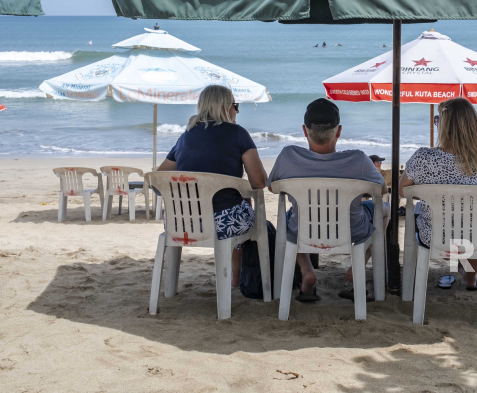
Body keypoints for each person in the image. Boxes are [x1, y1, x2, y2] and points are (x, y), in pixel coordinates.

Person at [267, 99, 389, 303]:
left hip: (304, 228)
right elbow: (381, 190)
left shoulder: (288, 156)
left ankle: (307, 271)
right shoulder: (358, 159)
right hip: (351, 229)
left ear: (305, 131)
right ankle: (356, 268)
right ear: (338, 131)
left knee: (290, 219)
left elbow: (272, 187)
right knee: (385, 210)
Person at [399, 98, 477, 290]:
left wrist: (429, 196)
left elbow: (402, 190)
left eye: (437, 119)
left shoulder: (423, 157)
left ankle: (418, 281)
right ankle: (470, 277)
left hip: (434, 235)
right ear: (474, 126)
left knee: (425, 212)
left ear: (443, 125)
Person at [157, 85, 268, 288]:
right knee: (247, 209)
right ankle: (236, 277)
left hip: (180, 223)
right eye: (236, 105)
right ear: (226, 107)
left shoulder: (185, 137)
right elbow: (259, 182)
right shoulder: (237, 134)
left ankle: (172, 288)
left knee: (241, 203)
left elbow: (157, 180)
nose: (237, 111)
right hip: (224, 224)